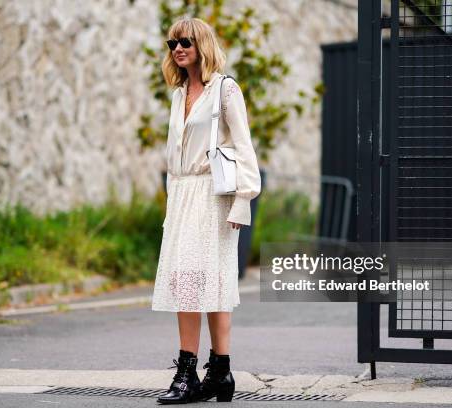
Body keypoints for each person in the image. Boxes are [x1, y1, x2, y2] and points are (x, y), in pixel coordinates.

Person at [150, 16, 261, 404]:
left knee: (199, 284)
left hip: (212, 196)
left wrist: (243, 200)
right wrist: (171, 204)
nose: (178, 49)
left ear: (202, 45)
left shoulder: (225, 90)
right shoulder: (179, 94)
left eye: (185, 42)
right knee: (195, 282)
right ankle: (221, 373)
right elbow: (173, 157)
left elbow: (244, 148)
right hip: (182, 196)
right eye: (172, 43)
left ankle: (189, 372)